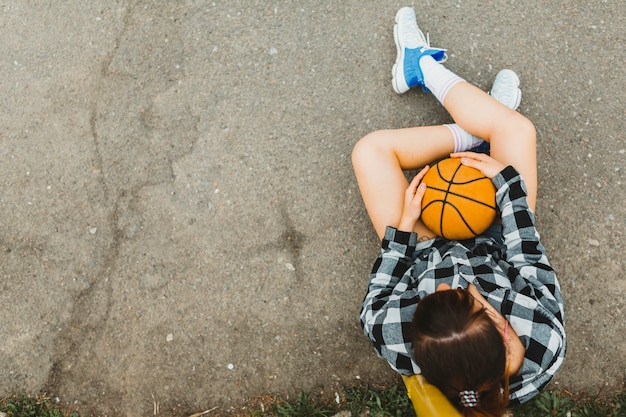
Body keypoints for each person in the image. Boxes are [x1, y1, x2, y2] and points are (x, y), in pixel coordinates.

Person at [353, 7, 566, 416]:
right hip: (494, 239)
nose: (453, 282)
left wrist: (403, 232)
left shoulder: (397, 338)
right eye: (469, 297)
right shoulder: (544, 339)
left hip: (423, 244)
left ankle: (452, 98)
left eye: (433, 298)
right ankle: (479, 116)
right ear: (504, 330)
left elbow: (377, 297)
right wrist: (505, 184)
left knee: (370, 150)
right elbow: (527, 256)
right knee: (517, 130)